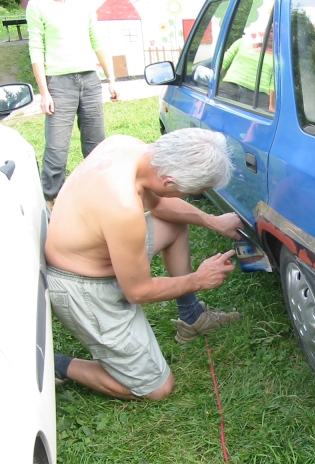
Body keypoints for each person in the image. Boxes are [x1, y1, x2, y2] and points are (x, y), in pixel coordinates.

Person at [46, 128, 244, 401]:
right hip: (82, 286)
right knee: (156, 389)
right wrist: (198, 279)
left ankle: (191, 316)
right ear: (169, 181)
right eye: (193, 191)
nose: (191, 195)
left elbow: (160, 204)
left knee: (174, 224)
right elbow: (138, 292)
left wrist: (213, 221)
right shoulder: (122, 206)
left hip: (96, 249)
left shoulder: (128, 147)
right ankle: (56, 364)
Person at [25, 0, 120, 210]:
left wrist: (111, 79)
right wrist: (44, 93)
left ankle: (100, 198)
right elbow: (36, 48)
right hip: (59, 84)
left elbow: (97, 41)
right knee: (57, 149)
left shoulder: (83, 4)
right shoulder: (37, 5)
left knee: (96, 145)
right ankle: (48, 204)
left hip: (90, 80)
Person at [219, 30, 276, 112]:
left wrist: (272, 105)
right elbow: (223, 62)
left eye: (275, 31)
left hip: (258, 99)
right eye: (270, 30)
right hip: (229, 89)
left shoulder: (278, 57)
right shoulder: (242, 42)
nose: (272, 34)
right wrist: (211, 80)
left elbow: (274, 82)